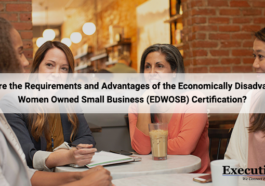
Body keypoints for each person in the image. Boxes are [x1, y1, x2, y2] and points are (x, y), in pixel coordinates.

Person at [0, 17, 112, 186]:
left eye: (64, 68)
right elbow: (26, 156)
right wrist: (68, 154)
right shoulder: (13, 102)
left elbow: (87, 140)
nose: (57, 74)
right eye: (50, 65)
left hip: (57, 175)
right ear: (37, 68)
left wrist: (64, 155)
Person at [129, 44, 210, 173]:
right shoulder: (136, 105)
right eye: (147, 67)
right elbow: (142, 150)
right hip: (155, 177)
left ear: (174, 72)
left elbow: (184, 147)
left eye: (159, 66)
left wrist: (151, 145)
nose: (151, 73)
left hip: (192, 178)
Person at [225, 27, 265, 175]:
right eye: (254, 56)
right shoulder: (252, 98)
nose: (255, 64)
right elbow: (234, 157)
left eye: (260, 56)